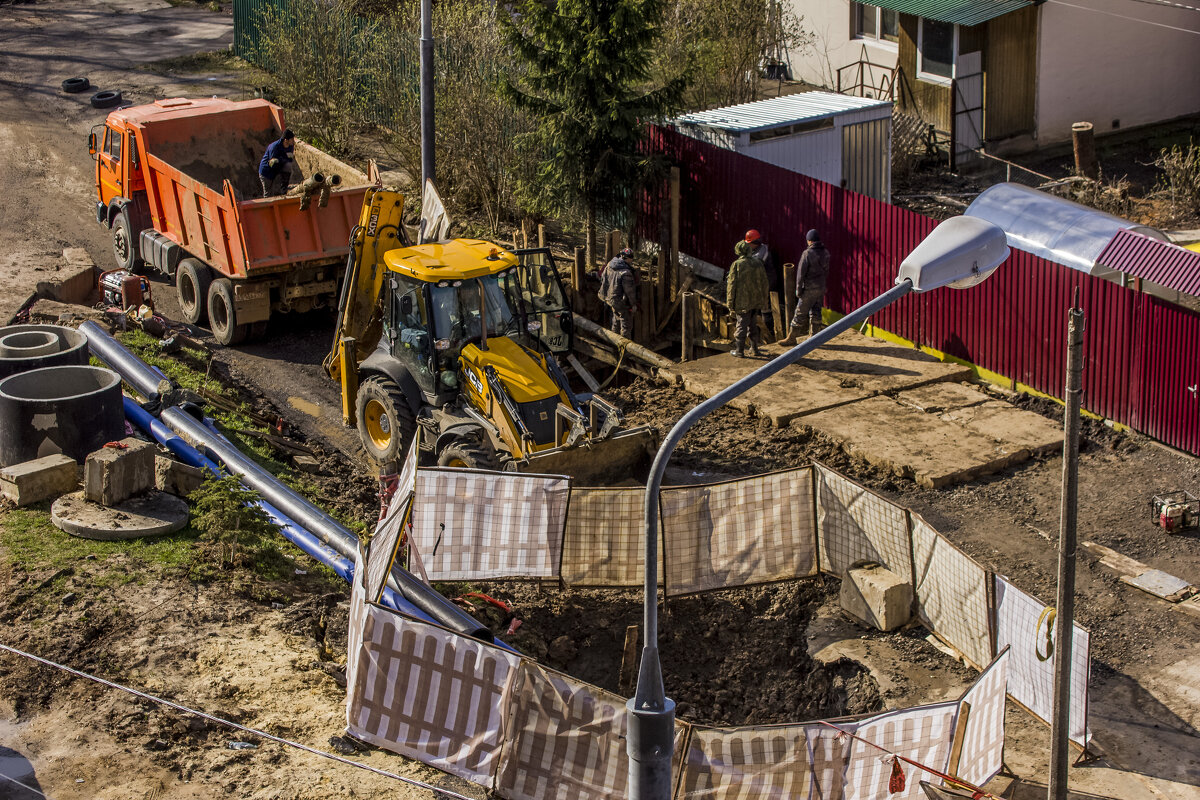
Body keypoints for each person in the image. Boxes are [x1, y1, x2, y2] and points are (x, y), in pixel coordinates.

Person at [779, 229, 831, 346]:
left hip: (809, 289)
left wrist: (798, 289)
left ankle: (791, 338)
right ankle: (814, 337)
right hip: (821, 287)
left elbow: (800, 274)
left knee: (800, 313)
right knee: (816, 311)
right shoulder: (826, 252)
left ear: (809, 241)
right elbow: (826, 271)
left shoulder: (807, 254)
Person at [726, 240, 769, 358]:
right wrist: (763, 300)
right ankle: (754, 348)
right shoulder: (758, 263)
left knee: (741, 325)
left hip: (742, 302)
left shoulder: (737, 265)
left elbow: (731, 286)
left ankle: (739, 351)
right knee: (753, 324)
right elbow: (765, 283)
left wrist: (730, 303)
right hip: (756, 301)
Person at [744, 229, 779, 336]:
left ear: (754, 243)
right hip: (760, 284)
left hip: (766, 284)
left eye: (749, 244)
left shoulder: (762, 253)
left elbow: (754, 265)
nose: (748, 246)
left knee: (765, 308)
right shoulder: (756, 250)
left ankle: (769, 333)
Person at [598, 248, 639, 339]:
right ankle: (625, 348)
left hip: (607, 297)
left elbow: (602, 279)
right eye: (631, 258)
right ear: (627, 258)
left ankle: (614, 342)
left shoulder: (609, 265)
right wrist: (633, 304)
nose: (632, 260)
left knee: (616, 318)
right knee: (626, 323)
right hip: (617, 300)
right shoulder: (626, 272)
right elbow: (630, 291)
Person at [259, 130, 296, 197]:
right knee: (268, 194)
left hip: (277, 169)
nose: (293, 141)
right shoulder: (274, 147)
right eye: (292, 139)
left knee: (288, 166)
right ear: (286, 140)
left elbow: (289, 161)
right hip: (266, 172)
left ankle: (284, 190)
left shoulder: (290, 147)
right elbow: (272, 163)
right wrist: (284, 157)